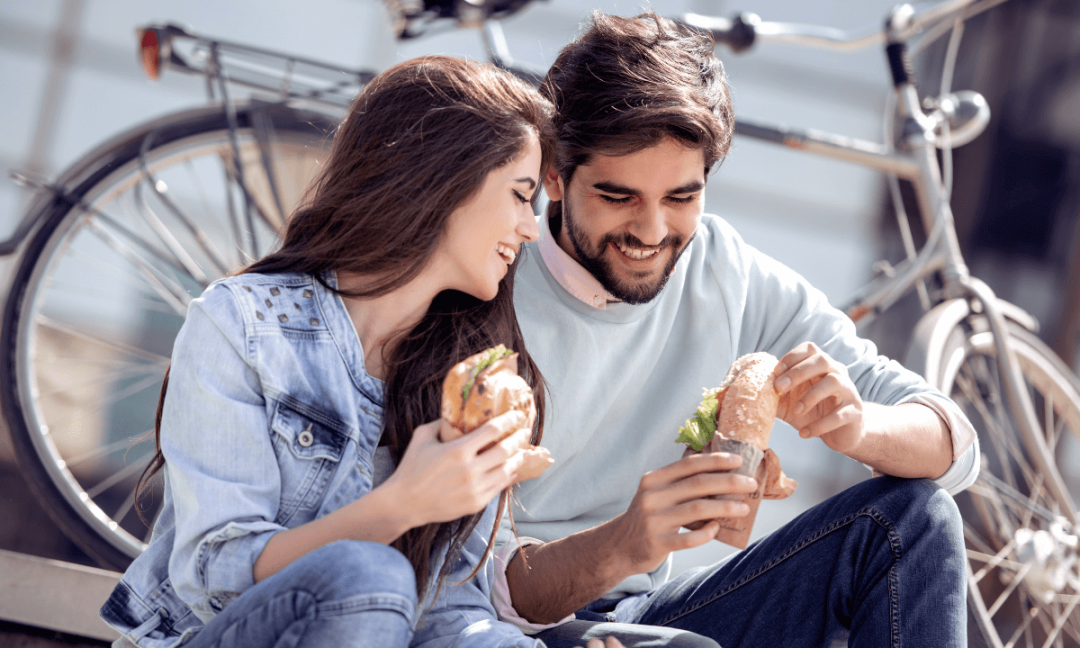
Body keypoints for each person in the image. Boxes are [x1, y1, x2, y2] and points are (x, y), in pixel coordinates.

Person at [489, 12, 981, 648]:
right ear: (555, 176)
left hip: (653, 611)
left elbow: (954, 442)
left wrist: (858, 426)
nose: (652, 231)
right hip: (514, 623)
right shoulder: (491, 275)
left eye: (680, 198)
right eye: (618, 197)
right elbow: (468, 583)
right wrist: (627, 541)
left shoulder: (726, 271)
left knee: (912, 519)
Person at [98, 55, 560, 648]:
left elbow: (447, 617)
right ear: (443, 180)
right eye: (521, 196)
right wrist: (402, 503)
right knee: (370, 575)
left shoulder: (467, 381)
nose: (530, 228)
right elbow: (216, 575)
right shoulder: (243, 324)